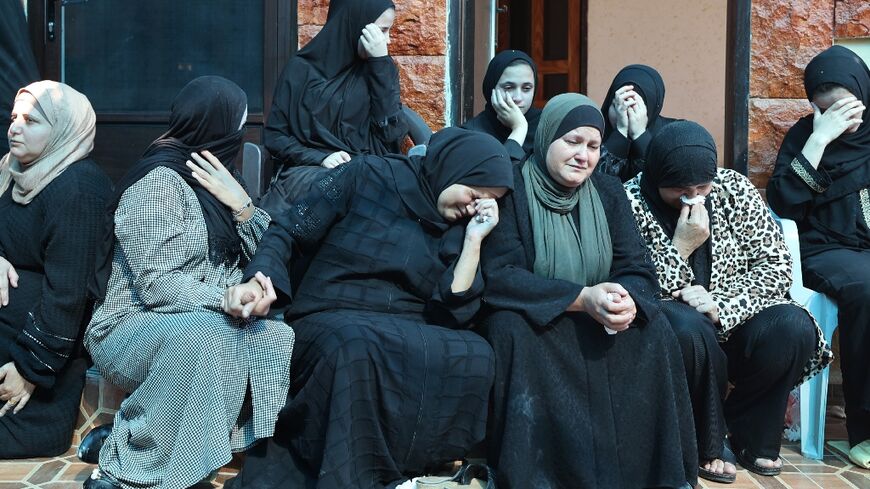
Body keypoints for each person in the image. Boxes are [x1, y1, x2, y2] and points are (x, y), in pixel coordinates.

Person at [222, 128, 513, 489]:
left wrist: (474, 239)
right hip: (333, 310)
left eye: (488, 201)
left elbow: (453, 311)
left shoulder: (462, 226)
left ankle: (417, 470)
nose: (475, 207)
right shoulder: (365, 175)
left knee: (477, 354)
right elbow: (289, 231)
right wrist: (256, 281)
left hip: (412, 322)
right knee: (356, 346)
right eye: (474, 193)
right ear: (451, 169)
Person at [83, 76, 294, 489]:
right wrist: (224, 297)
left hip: (196, 318)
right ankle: (130, 468)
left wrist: (243, 206)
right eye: (237, 126)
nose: (240, 135)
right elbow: (157, 286)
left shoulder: (221, 181)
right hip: (128, 325)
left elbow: (269, 251)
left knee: (275, 336)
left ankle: (211, 452)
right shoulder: (158, 184)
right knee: (208, 336)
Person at [479, 93, 697, 489]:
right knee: (509, 330)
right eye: (573, 142)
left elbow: (637, 267)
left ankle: (654, 475)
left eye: (594, 146)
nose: (584, 155)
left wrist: (624, 299)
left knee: (656, 330)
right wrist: (581, 299)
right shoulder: (513, 187)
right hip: (540, 314)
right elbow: (501, 274)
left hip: (599, 311)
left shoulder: (608, 191)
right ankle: (542, 476)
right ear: (547, 139)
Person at [626, 120, 832, 478]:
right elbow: (636, 285)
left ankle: (750, 434)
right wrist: (681, 247)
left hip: (733, 321)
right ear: (657, 177)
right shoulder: (629, 200)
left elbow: (776, 265)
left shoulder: (733, 188)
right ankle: (706, 438)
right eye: (679, 190)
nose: (693, 197)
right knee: (690, 329)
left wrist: (722, 305)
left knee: (792, 326)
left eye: (701, 187)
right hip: (678, 333)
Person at [766, 44, 870, 468]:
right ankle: (865, 430)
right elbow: (784, 204)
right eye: (827, 112)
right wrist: (819, 138)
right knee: (867, 289)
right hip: (825, 248)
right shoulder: (804, 135)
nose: (842, 120)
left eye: (847, 108)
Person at [0, 81, 111, 457]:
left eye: (31, 120)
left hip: (45, 336)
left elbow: (70, 296)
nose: (14, 127)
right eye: (14, 117)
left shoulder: (78, 190)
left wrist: (29, 370)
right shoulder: (11, 170)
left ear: (63, 127)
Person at [264, 0, 408, 183]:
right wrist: (319, 158)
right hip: (311, 175)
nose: (386, 41)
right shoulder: (300, 70)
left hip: (367, 176)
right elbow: (275, 137)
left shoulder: (381, 71)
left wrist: (380, 64)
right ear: (353, 25)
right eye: (381, 31)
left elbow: (392, 136)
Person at [597, 64, 677, 182]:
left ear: (651, 109)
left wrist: (640, 135)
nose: (626, 114)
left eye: (634, 107)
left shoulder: (674, 135)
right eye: (618, 106)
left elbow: (668, 182)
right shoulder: (593, 134)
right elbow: (594, 184)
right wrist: (620, 132)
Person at [463, 49, 541, 161]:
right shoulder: (472, 135)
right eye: (508, 88)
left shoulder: (546, 128)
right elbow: (501, 175)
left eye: (526, 89)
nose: (518, 98)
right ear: (491, 88)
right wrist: (519, 128)